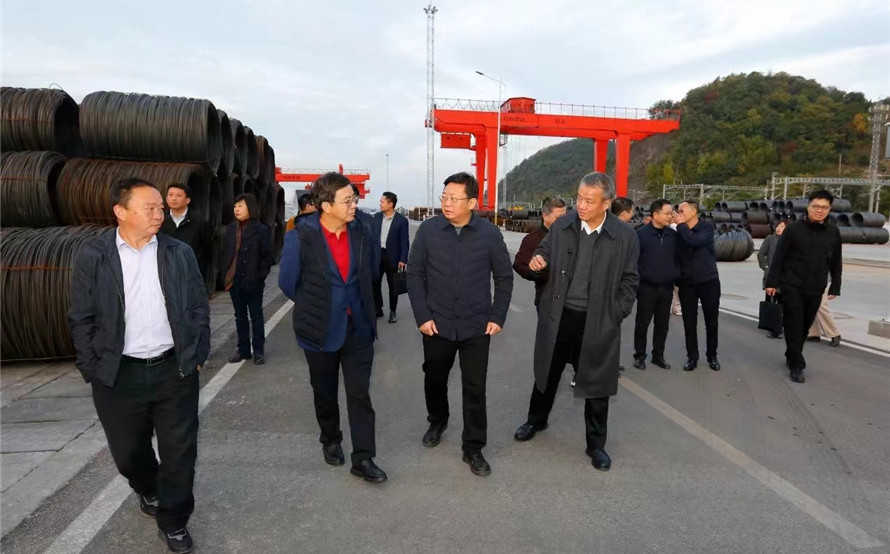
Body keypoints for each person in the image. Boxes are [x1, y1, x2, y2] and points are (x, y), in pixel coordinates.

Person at [68, 177, 209, 553]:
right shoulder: (94, 256)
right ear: (121, 211)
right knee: (128, 453)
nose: (159, 213)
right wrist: (91, 368)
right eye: (149, 208)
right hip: (118, 373)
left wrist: (197, 355)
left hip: (174, 369)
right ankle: (148, 487)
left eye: (161, 207)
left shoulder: (178, 252)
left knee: (180, 452)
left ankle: (174, 521)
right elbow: (81, 316)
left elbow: (198, 305)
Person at [514, 172, 639, 472]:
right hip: (560, 315)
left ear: (606, 203)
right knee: (547, 372)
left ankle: (596, 445)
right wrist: (538, 262)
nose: (581, 205)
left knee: (596, 384)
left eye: (589, 201)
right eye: (579, 198)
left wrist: (615, 313)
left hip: (598, 320)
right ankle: (536, 421)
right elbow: (542, 253)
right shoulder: (563, 226)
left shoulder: (625, 236)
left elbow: (630, 280)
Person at [278, 172, 387, 483]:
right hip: (319, 328)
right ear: (326, 206)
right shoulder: (301, 236)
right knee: (324, 392)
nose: (354, 205)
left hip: (358, 327)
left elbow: (371, 273)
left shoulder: (362, 231)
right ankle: (330, 439)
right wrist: (318, 305)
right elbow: (288, 283)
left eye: (355, 199)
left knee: (360, 394)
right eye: (348, 200)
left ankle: (363, 457)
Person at [407, 171, 513, 477]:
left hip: (476, 326)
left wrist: (497, 316)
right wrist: (422, 316)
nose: (447, 203)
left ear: (472, 203)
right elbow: (414, 274)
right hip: (436, 324)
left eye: (454, 198)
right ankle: (437, 420)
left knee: (475, 388)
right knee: (435, 379)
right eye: (444, 197)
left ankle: (473, 447)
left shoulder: (489, 234)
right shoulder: (429, 231)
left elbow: (504, 278)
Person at [766, 190, 842, 383]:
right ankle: (797, 364)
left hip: (816, 286)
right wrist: (772, 282)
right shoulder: (793, 229)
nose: (819, 210)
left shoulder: (833, 232)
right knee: (793, 324)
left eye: (824, 207)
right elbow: (779, 257)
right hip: (792, 285)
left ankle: (792, 353)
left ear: (829, 209)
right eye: (815, 206)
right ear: (808, 206)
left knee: (805, 325)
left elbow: (836, 261)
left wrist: (836, 285)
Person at [222, 193, 273, 365]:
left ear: (250, 208)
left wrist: (259, 277)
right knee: (240, 316)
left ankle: (258, 350)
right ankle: (243, 350)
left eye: (240, 206)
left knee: (256, 316)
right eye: (235, 206)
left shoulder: (261, 229)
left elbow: (267, 257)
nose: (236, 209)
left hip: (253, 281)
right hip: (234, 280)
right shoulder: (231, 228)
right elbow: (226, 252)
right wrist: (225, 273)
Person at [674, 199, 721, 371]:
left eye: (682, 211)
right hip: (687, 283)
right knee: (689, 322)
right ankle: (692, 357)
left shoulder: (706, 227)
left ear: (694, 211)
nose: (679, 214)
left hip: (708, 281)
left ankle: (712, 356)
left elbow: (693, 241)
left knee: (711, 321)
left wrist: (681, 226)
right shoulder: (679, 231)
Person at [633, 199, 679, 370]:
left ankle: (658, 356)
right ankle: (639, 356)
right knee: (642, 324)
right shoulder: (641, 235)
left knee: (662, 325)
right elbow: (634, 261)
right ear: (655, 214)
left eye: (671, 213)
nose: (670, 216)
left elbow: (677, 258)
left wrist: (675, 275)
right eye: (667, 213)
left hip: (666, 288)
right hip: (647, 288)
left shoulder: (672, 235)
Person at [512, 197, 568, 311]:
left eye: (565, 217)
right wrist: (536, 273)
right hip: (546, 300)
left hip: (570, 301)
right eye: (558, 218)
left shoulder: (571, 236)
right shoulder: (532, 239)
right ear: (545, 216)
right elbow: (519, 264)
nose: (563, 221)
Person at [159, 183, 212, 287]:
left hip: (190, 274)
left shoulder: (199, 222)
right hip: (165, 273)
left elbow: (207, 250)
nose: (173, 199)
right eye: (170, 195)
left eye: (178, 196)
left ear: (187, 200)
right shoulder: (160, 220)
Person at [373, 191, 410, 324]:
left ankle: (392, 311)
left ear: (390, 204)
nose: (380, 204)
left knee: (393, 286)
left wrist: (403, 259)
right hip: (378, 255)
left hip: (392, 257)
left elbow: (404, 241)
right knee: (375, 283)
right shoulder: (377, 217)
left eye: (382, 202)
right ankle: (378, 309)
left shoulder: (401, 220)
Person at [757, 219, 787, 338]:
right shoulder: (770, 239)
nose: (779, 228)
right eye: (778, 226)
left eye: (782, 227)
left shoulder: (790, 240)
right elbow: (761, 254)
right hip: (771, 276)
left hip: (785, 277)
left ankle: (780, 326)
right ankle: (773, 327)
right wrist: (766, 267)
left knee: (783, 303)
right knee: (771, 302)